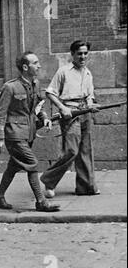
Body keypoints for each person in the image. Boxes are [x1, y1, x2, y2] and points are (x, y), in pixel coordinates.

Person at [0, 52, 60, 212]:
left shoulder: (35, 84)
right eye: (35, 63)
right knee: (32, 163)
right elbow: (0, 114)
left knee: (13, 166)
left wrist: (44, 117)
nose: (39, 66)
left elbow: (38, 106)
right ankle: (41, 201)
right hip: (14, 134)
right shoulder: (10, 87)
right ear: (25, 67)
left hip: (28, 132)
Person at [40, 40, 101, 198]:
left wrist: (90, 104)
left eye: (85, 53)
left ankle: (85, 186)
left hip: (85, 114)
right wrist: (63, 108)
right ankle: (49, 180)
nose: (82, 57)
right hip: (70, 114)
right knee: (71, 150)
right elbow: (50, 93)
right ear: (72, 54)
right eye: (79, 53)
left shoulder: (88, 73)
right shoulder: (64, 71)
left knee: (85, 150)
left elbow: (89, 95)